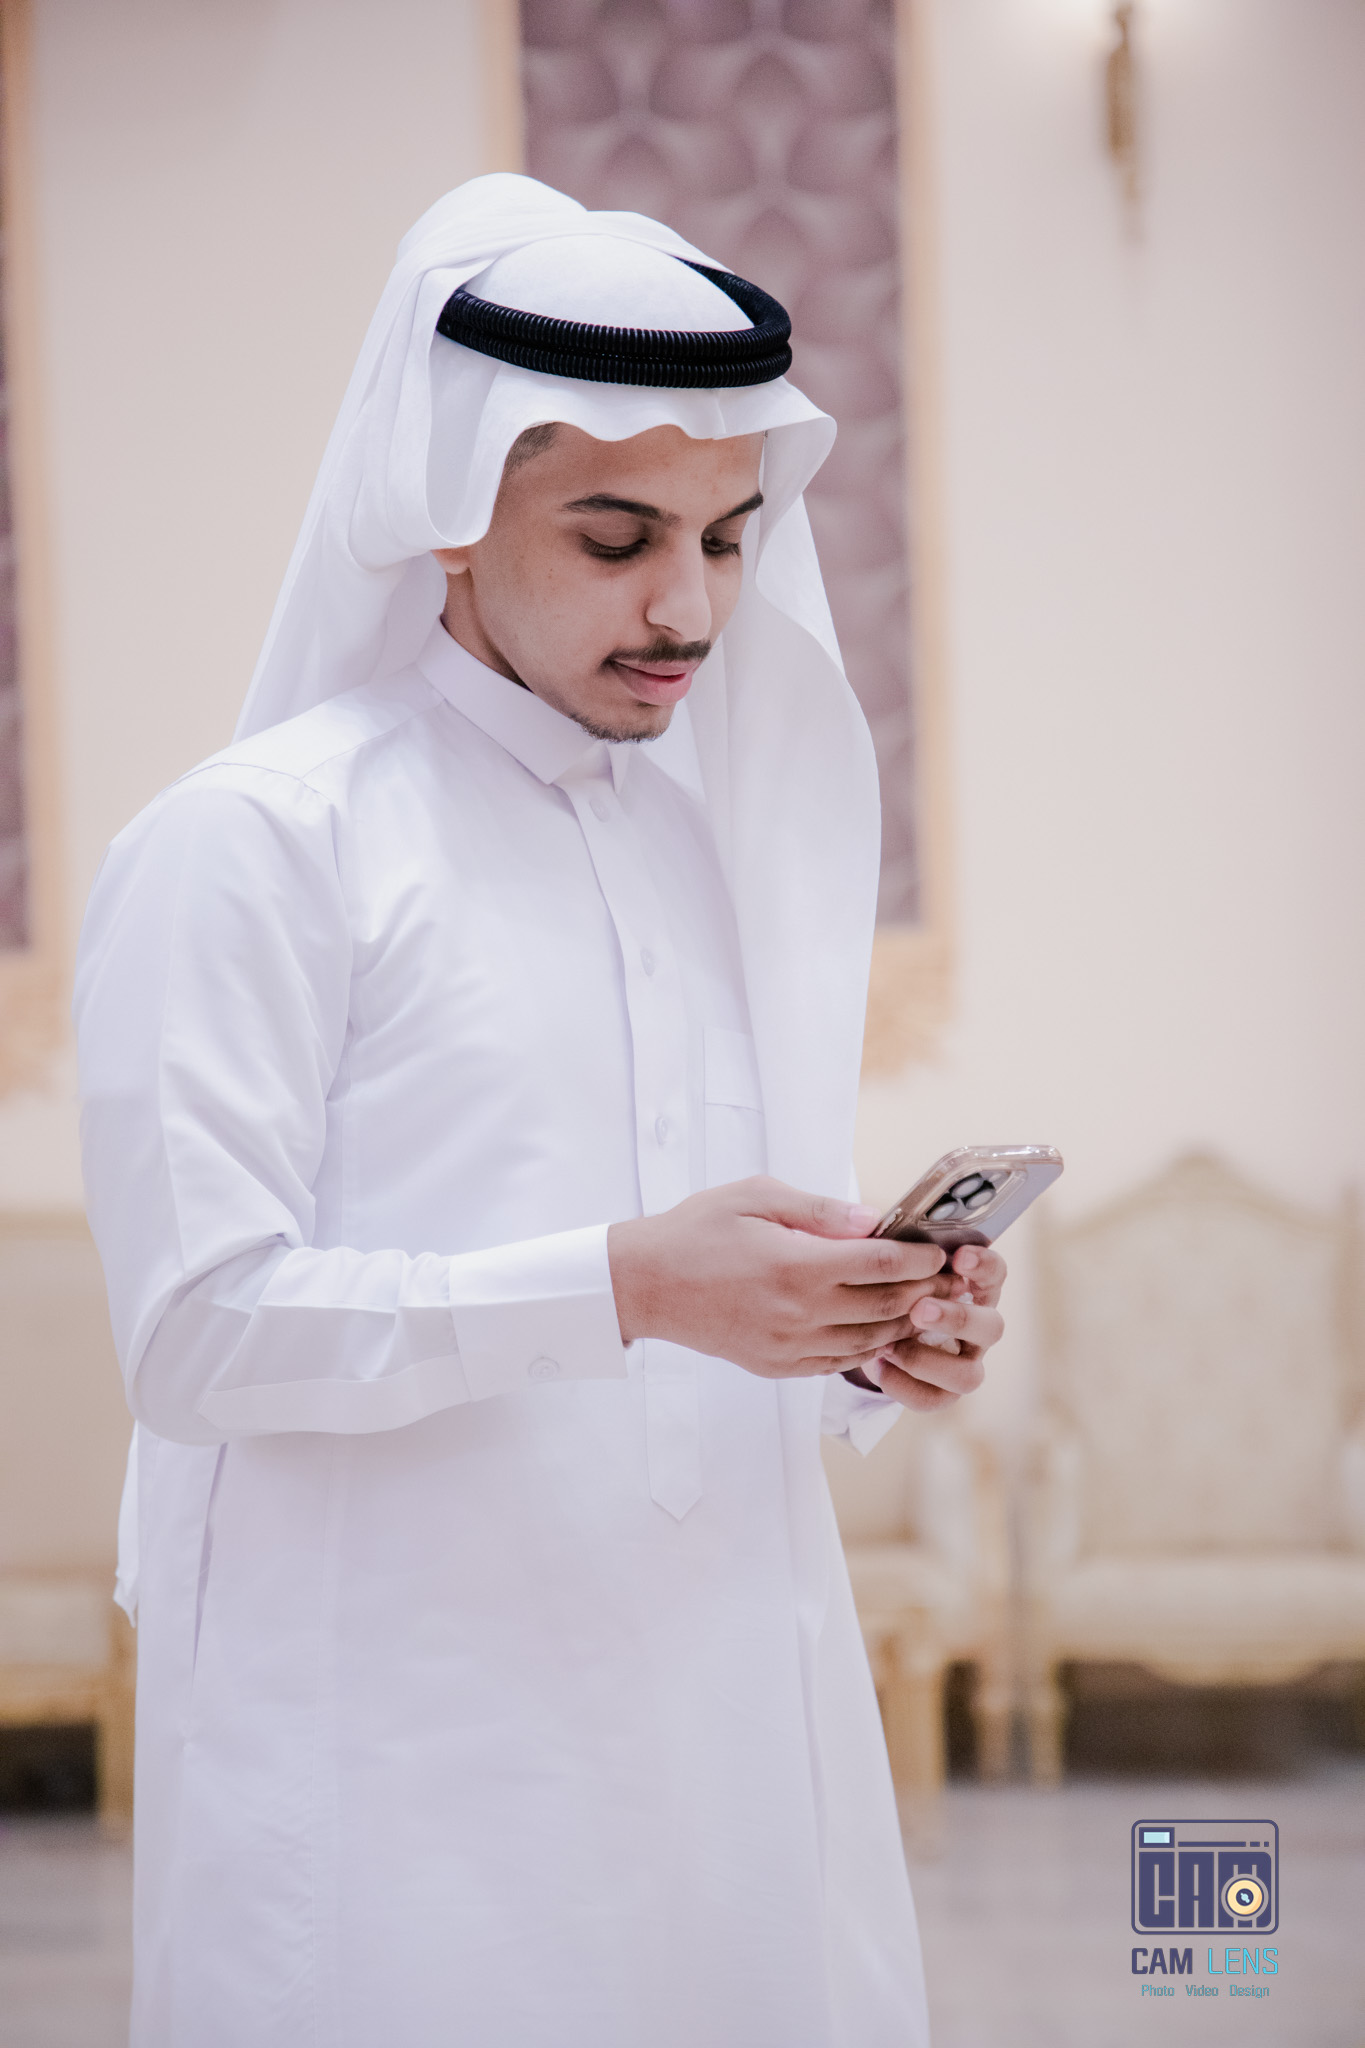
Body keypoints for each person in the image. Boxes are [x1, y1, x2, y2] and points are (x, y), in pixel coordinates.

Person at [75, 174, 1007, 2048]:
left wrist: (861, 1332)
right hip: (402, 1768)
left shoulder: (695, 844)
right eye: (614, 537)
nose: (688, 608)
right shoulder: (258, 844)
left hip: (719, 1735)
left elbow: (697, 1288)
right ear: (445, 513)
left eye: (727, 539)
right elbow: (196, 1334)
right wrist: (633, 1288)